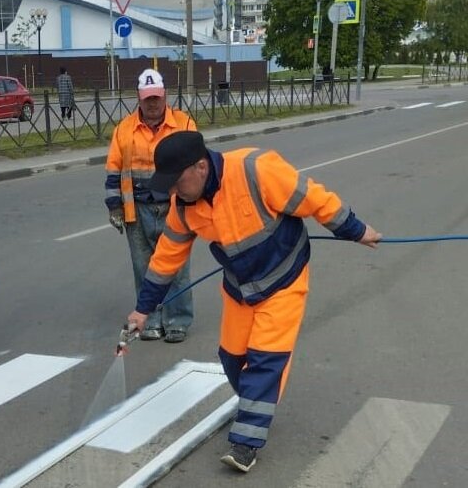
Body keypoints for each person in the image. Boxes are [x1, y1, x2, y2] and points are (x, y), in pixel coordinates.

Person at [127, 131, 382, 472]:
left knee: (265, 360)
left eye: (177, 183)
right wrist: (143, 309)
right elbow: (165, 260)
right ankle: (253, 403)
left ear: (201, 167)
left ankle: (245, 444)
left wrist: (357, 230)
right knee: (232, 359)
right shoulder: (184, 209)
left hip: (284, 280)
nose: (172, 192)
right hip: (240, 288)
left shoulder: (255, 170)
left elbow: (316, 199)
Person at [104, 68, 196, 343]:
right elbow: (113, 170)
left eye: (157, 97)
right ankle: (152, 320)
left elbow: (195, 166)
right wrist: (114, 207)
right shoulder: (125, 130)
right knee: (144, 268)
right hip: (138, 212)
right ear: (139, 98)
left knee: (176, 267)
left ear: (165, 95)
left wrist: (195, 203)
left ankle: (178, 320)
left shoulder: (183, 124)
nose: (153, 104)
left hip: (174, 210)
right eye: (147, 99)